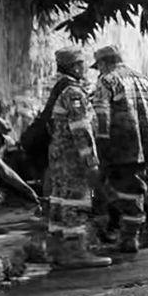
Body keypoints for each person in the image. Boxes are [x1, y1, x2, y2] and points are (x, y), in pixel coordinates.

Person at [42, 47, 111, 270]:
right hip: (72, 156)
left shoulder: (57, 88)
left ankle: (56, 248)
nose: (85, 69)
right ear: (75, 66)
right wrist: (91, 160)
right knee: (75, 200)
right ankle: (75, 250)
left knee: (59, 199)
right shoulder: (74, 92)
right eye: (82, 64)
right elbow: (80, 129)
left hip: (59, 154)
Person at [90, 45, 148, 254]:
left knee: (117, 189)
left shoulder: (107, 80)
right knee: (135, 188)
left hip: (119, 145)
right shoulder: (144, 79)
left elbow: (102, 117)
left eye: (99, 66)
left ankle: (127, 237)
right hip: (142, 146)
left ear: (104, 63)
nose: (99, 70)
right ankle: (130, 233)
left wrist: (101, 148)